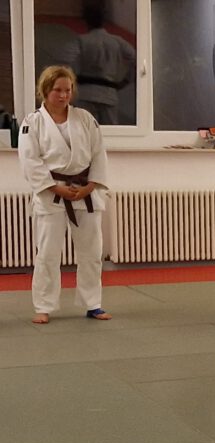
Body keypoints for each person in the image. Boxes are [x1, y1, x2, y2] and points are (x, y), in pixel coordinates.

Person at [19, 65, 111, 324]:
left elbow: (99, 154)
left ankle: (93, 303)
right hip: (51, 193)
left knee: (91, 251)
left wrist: (90, 186)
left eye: (67, 90)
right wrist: (55, 187)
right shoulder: (32, 123)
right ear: (45, 90)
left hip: (85, 192)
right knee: (47, 252)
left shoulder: (84, 118)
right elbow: (30, 160)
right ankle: (44, 306)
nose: (63, 95)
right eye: (57, 90)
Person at [65, 4, 136, 125]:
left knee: (84, 130)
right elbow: (137, 60)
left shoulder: (81, 41)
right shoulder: (117, 41)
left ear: (86, 21)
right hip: (109, 94)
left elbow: (66, 63)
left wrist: (72, 82)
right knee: (111, 132)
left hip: (85, 94)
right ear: (103, 21)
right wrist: (126, 80)